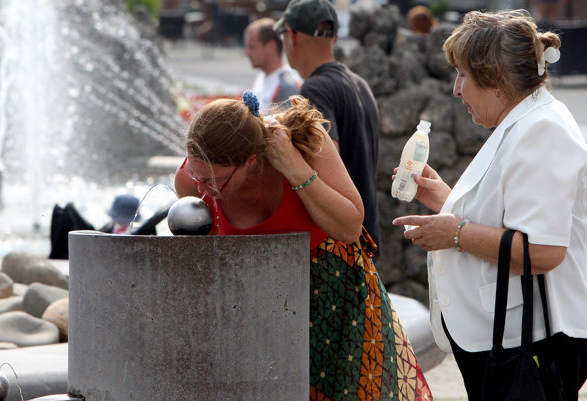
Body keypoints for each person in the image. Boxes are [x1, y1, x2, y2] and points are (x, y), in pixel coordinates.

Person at [174, 91, 433, 400]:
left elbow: (350, 226)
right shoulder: (192, 181)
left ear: (251, 160)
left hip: (340, 310)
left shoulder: (305, 140)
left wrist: (295, 169)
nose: (203, 189)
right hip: (263, 318)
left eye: (214, 182)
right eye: (196, 174)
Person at [392, 10, 587, 401]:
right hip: (513, 336)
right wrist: (446, 199)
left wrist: (456, 232)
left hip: (528, 341)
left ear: (496, 80)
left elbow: (544, 250)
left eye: (463, 74)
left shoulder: (541, 129)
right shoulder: (526, 121)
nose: (456, 89)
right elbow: (512, 215)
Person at [273, 0, 382, 254]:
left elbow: (321, 168)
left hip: (339, 248)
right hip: (367, 242)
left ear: (292, 36)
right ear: (334, 38)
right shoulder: (359, 84)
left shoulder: (315, 90)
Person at [244, 18, 301, 112]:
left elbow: (289, 126)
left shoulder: (287, 85)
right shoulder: (260, 78)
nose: (247, 52)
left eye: (252, 47)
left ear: (271, 46)